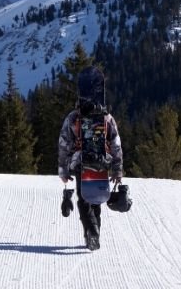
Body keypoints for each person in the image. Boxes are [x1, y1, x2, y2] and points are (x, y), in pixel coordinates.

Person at [58, 66, 123, 250]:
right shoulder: (107, 118)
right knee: (96, 197)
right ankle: (96, 233)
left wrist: (63, 170)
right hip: (103, 161)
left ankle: (90, 231)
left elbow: (64, 144)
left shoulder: (73, 117)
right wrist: (117, 170)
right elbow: (116, 143)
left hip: (81, 162)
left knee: (84, 197)